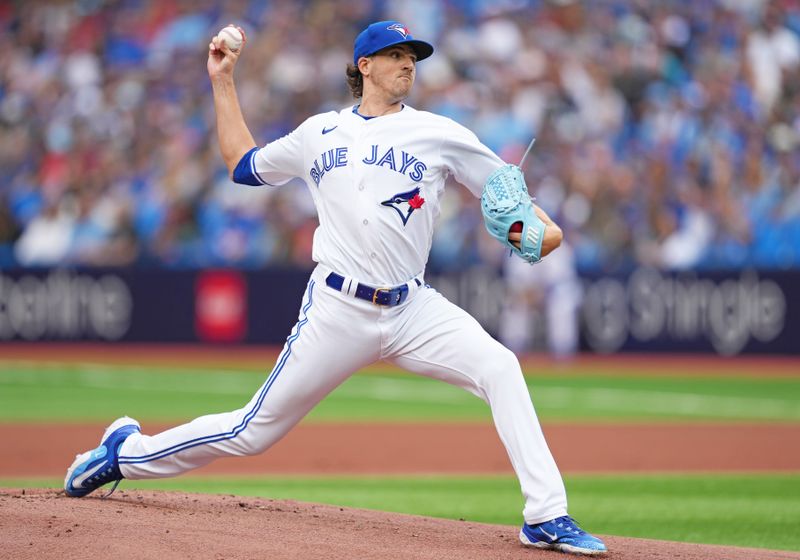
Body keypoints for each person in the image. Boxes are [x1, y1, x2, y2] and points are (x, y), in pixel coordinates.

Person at [64, 20, 607, 556]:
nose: (408, 63)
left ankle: (545, 516)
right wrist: (223, 80)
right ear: (364, 66)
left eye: (413, 55)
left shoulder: (441, 133)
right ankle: (126, 453)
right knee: (253, 432)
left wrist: (538, 227)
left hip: (412, 307)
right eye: (396, 54)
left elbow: (506, 194)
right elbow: (242, 165)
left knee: (500, 367)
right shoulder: (318, 132)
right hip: (337, 309)